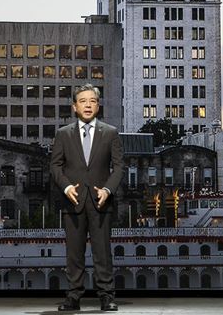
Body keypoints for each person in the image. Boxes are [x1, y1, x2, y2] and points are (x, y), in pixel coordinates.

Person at [51, 84, 124, 312]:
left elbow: (119, 167)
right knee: (74, 253)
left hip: (101, 201)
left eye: (92, 101)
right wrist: (65, 188)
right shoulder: (63, 134)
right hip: (72, 202)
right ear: (75, 106)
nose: (88, 105)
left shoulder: (110, 132)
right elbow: (55, 166)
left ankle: (107, 297)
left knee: (103, 252)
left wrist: (108, 190)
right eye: (83, 101)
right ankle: (73, 297)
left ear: (98, 106)